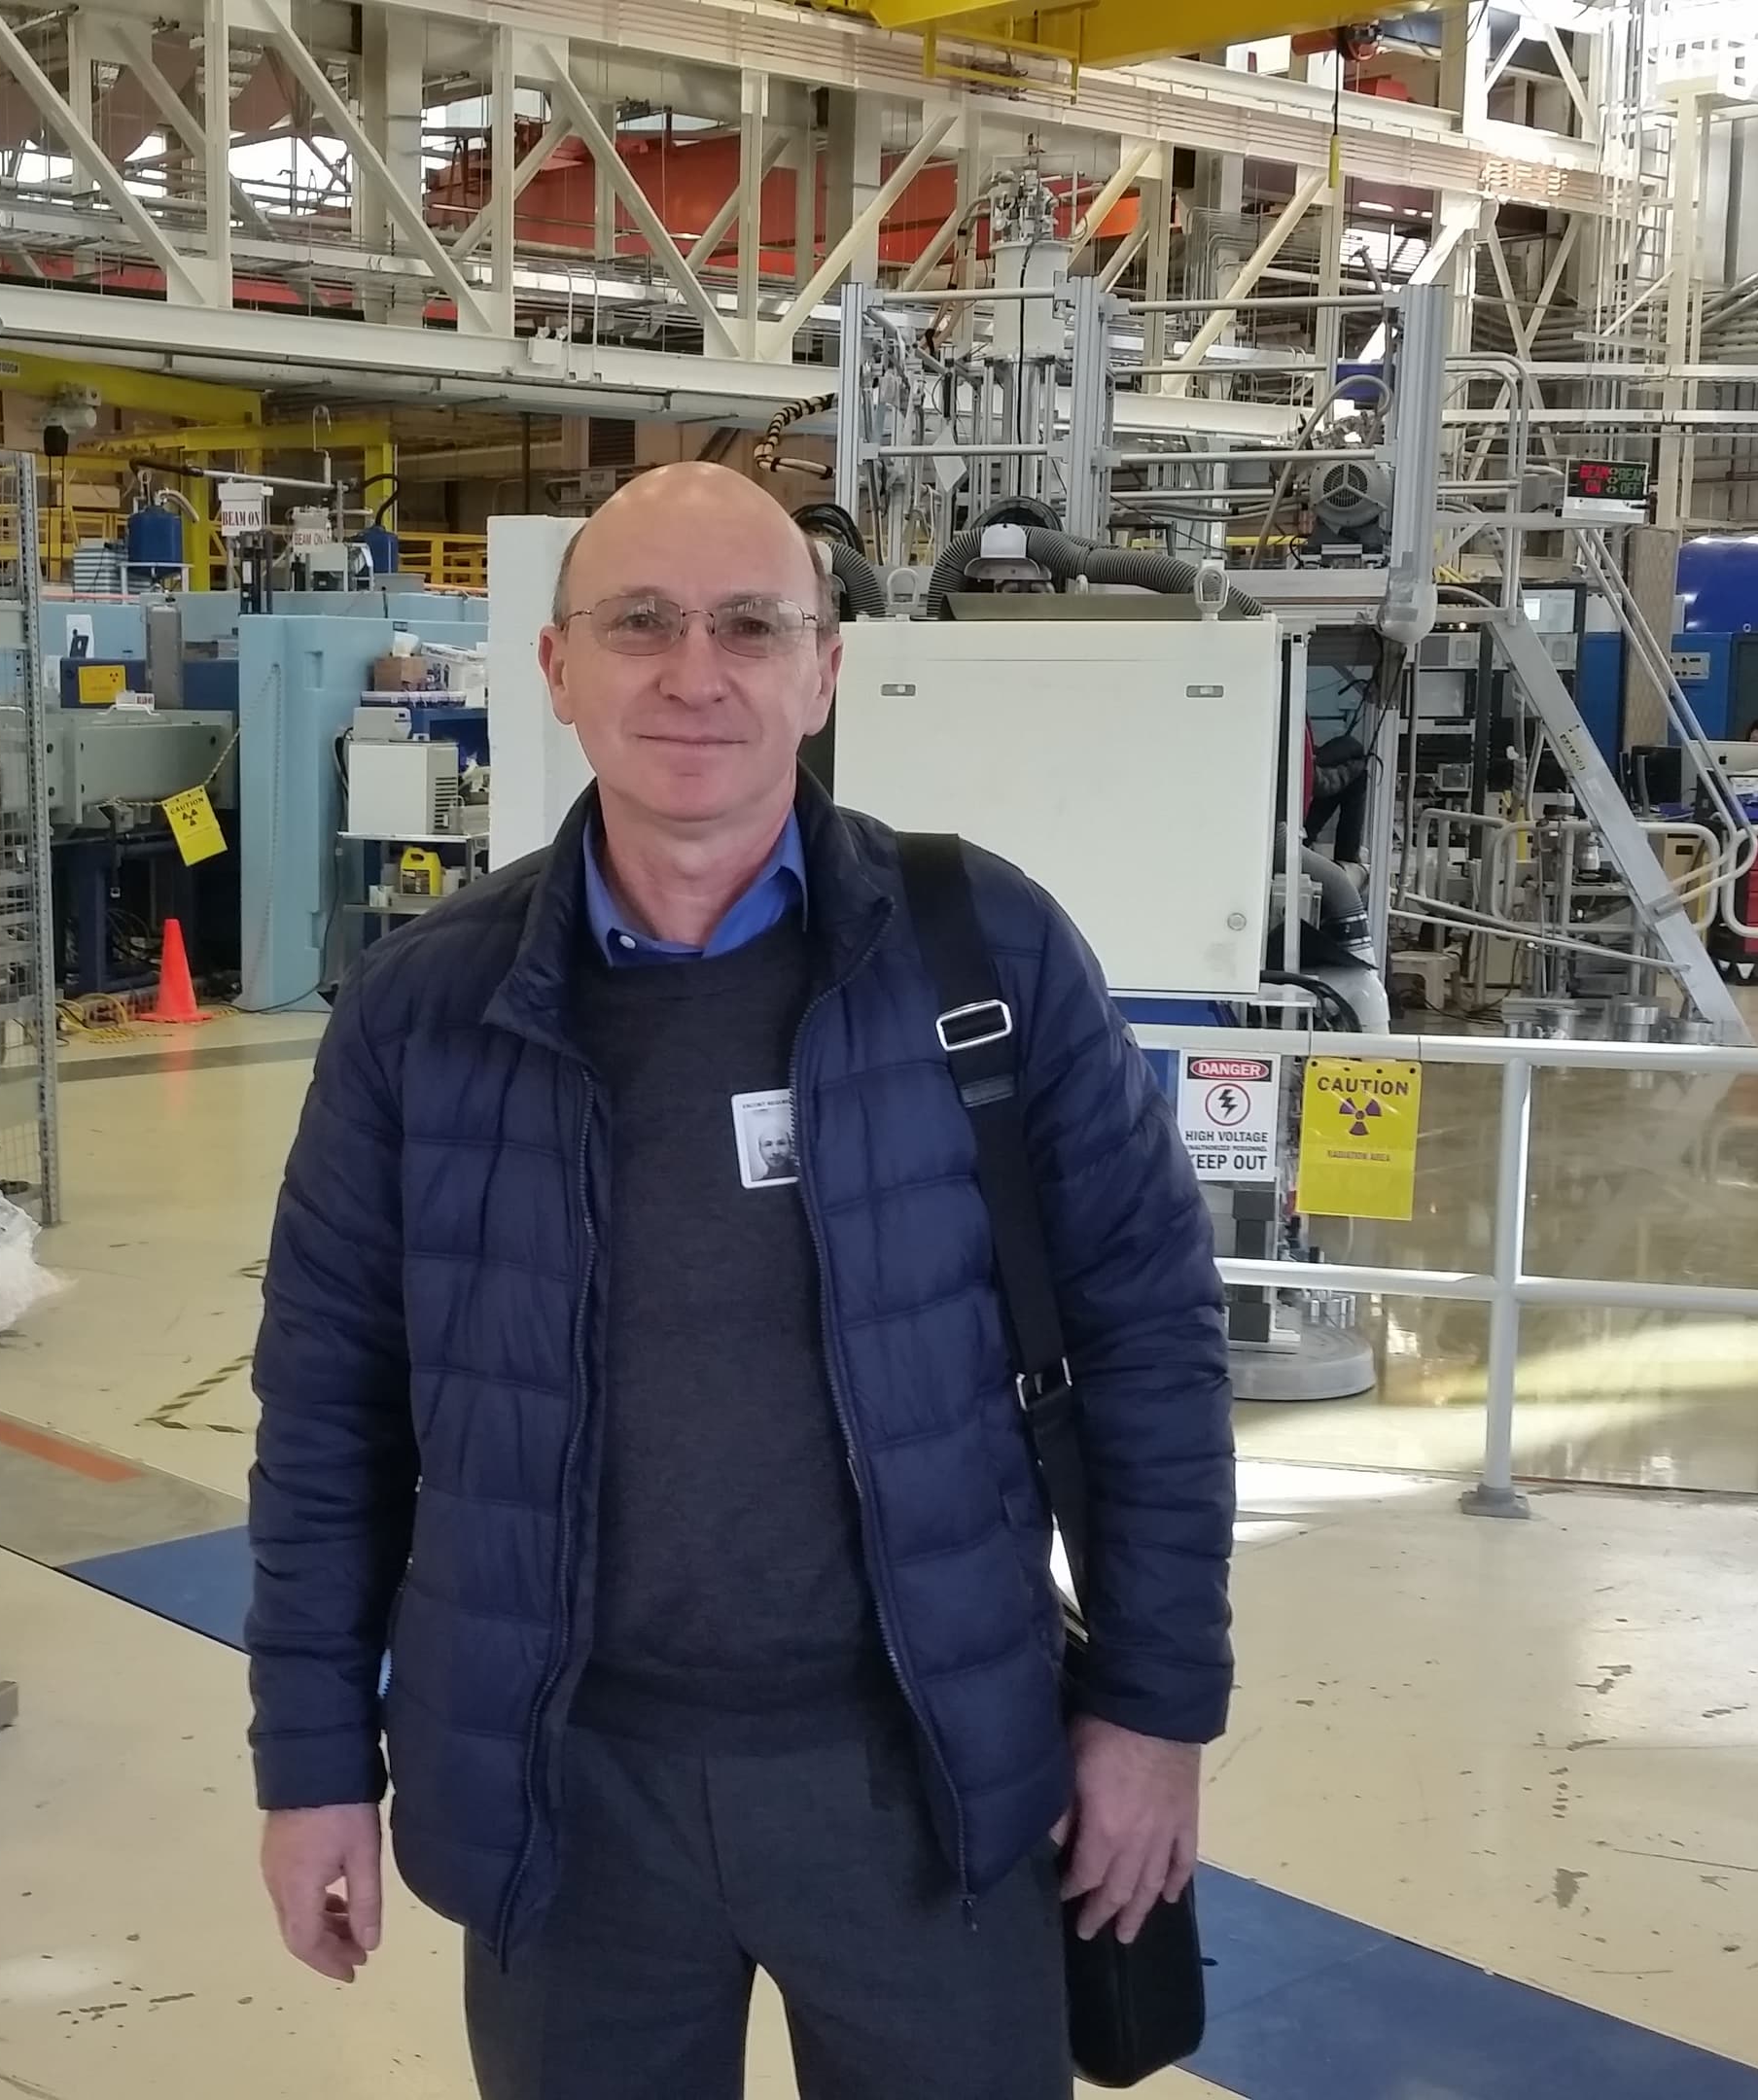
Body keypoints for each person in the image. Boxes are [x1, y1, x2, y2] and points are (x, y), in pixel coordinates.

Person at [245, 462, 1238, 2099]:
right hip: (570, 1795)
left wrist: (1152, 1710)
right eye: (638, 623)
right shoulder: (426, 1014)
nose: (693, 674)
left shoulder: (982, 959)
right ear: (557, 671)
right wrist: (311, 1765)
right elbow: (330, 1417)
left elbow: (1151, 1348)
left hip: (928, 1779)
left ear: (824, 667)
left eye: (749, 627)